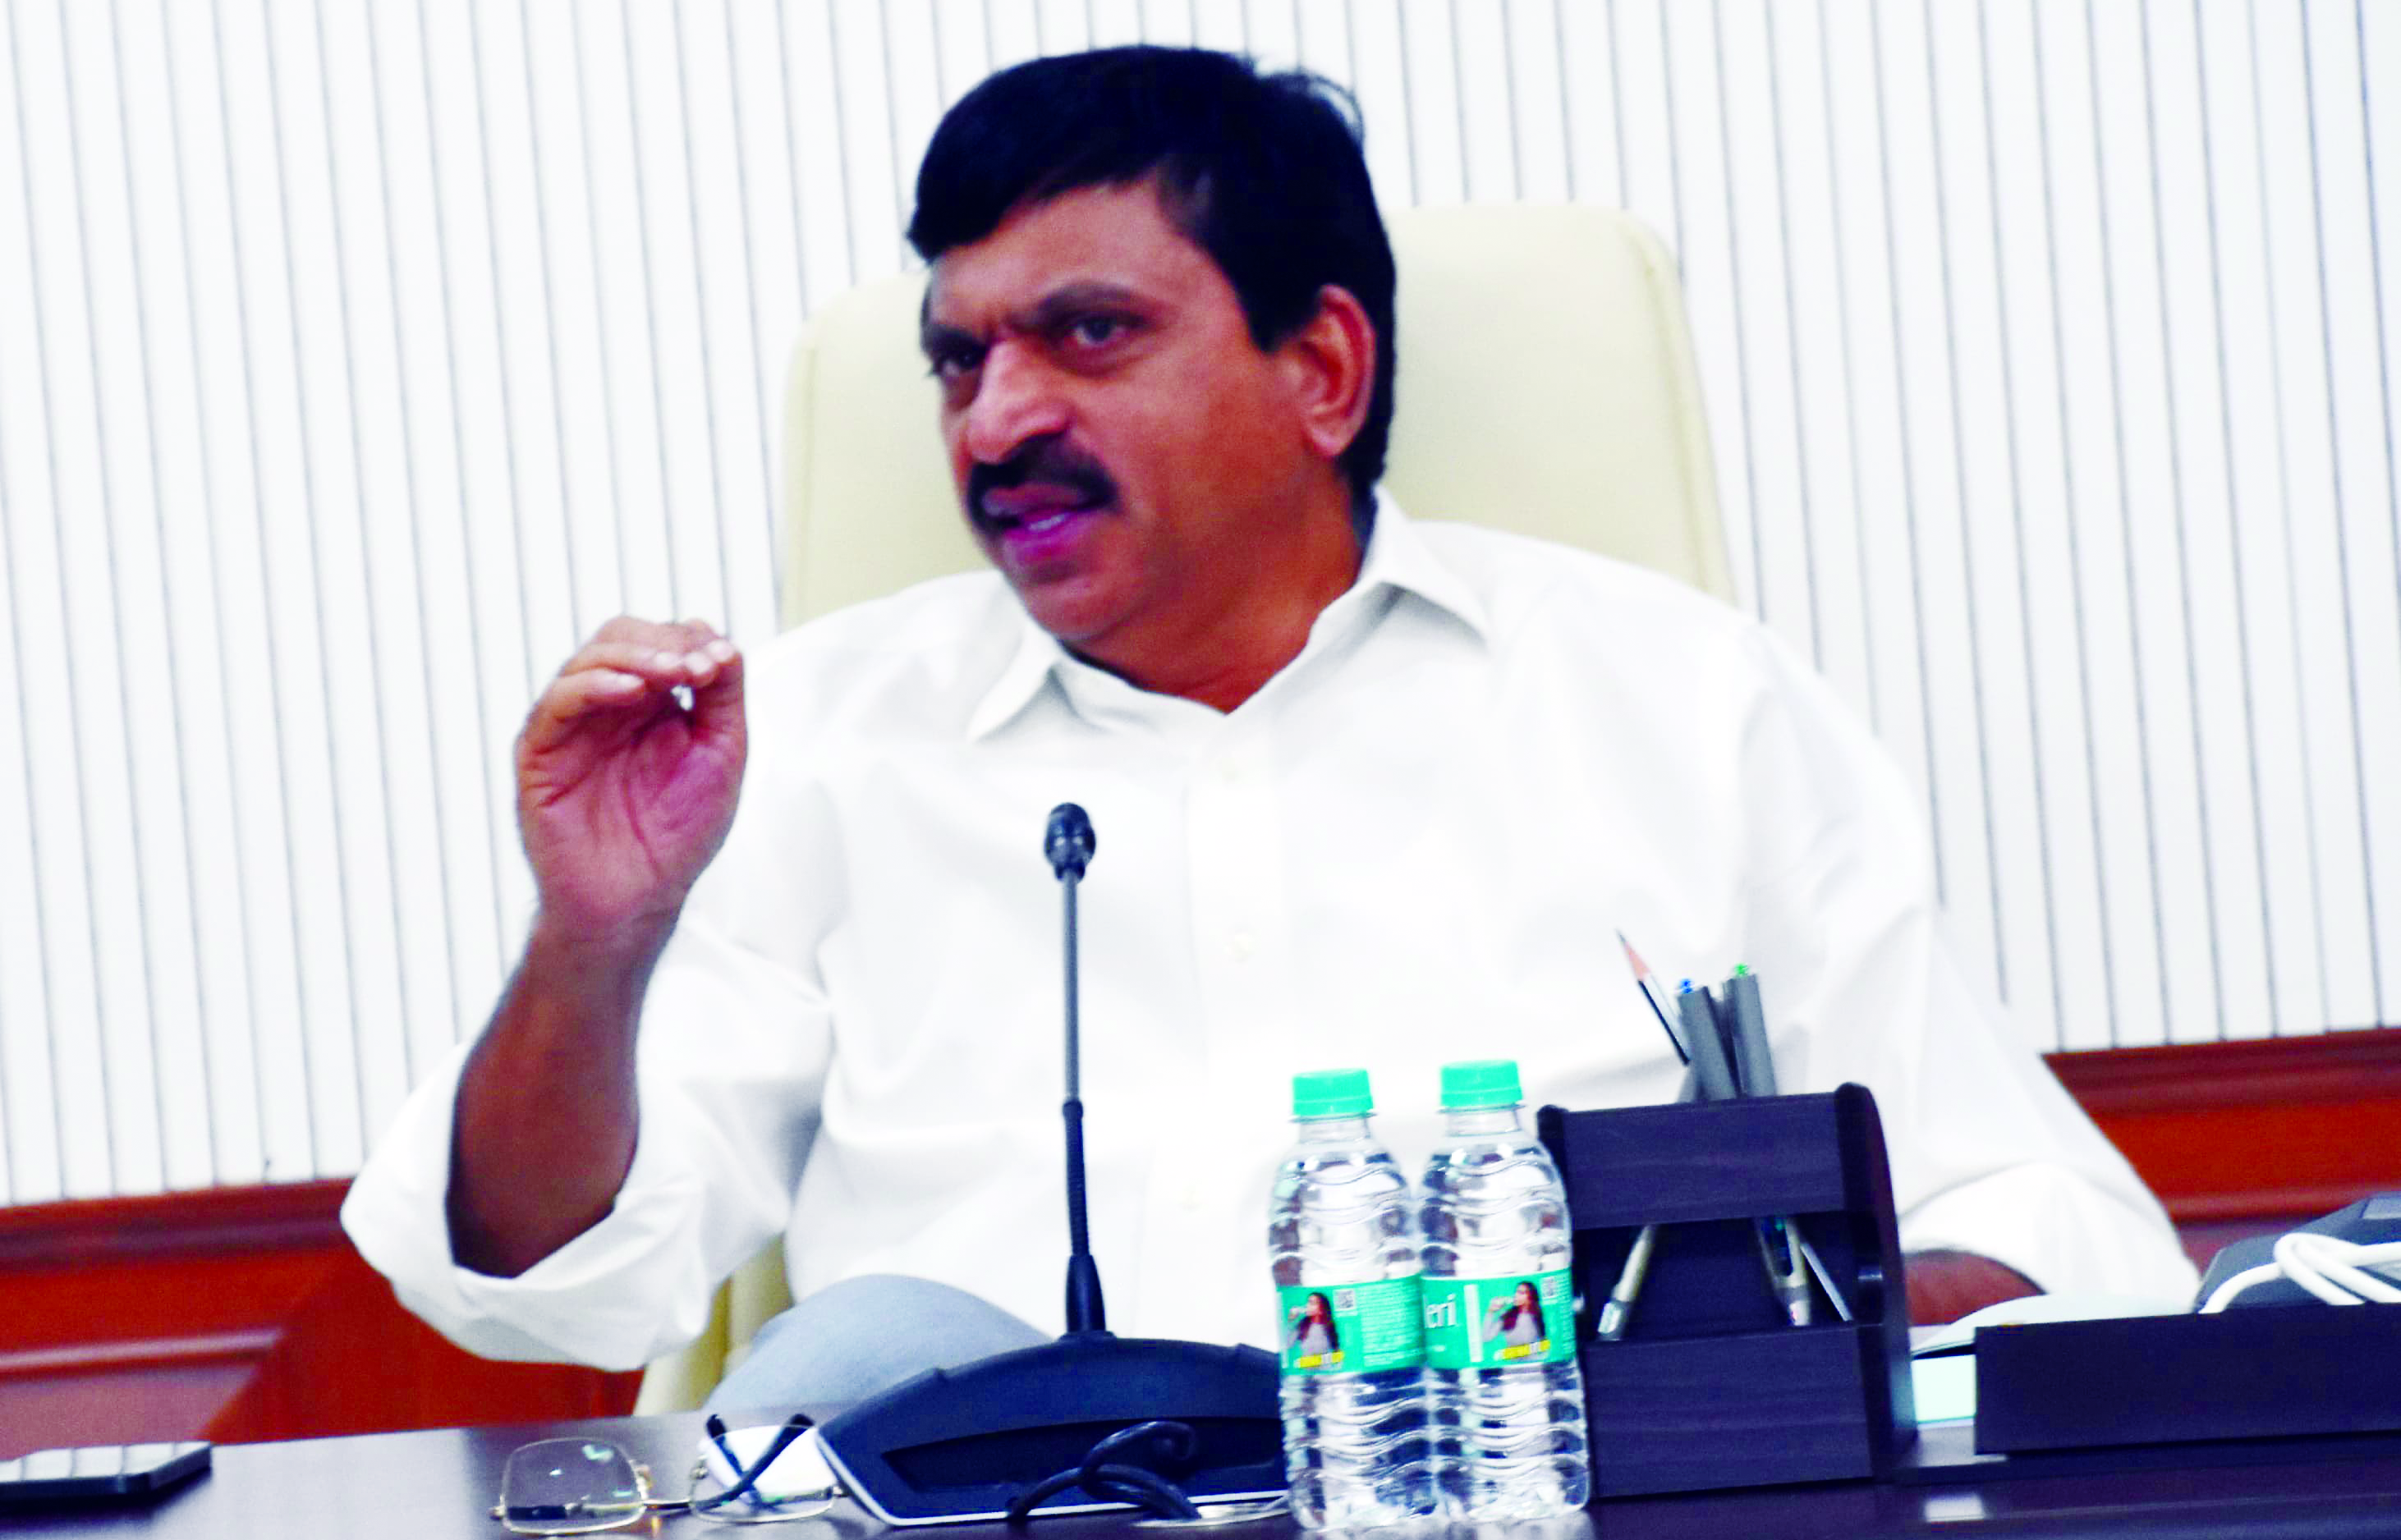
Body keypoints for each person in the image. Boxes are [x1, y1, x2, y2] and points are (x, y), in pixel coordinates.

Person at [342, 46, 2197, 1409]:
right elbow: (542, 1283)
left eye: (1085, 336)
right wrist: (594, 940)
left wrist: (1745, 1341)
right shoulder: (813, 737)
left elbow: (2044, 1221)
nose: (994, 422)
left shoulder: (1681, 701)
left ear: (1320, 368)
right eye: (960, 359)